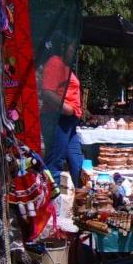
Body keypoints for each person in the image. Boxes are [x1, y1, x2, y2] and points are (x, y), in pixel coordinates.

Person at [41, 34, 85, 193]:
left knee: (77, 160)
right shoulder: (55, 63)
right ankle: (52, 203)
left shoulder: (66, 67)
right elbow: (47, 92)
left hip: (70, 121)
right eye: (73, 48)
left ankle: (82, 199)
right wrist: (65, 108)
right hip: (58, 119)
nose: (74, 52)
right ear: (65, 48)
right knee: (55, 161)